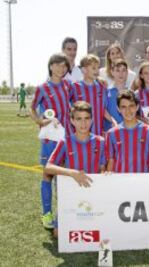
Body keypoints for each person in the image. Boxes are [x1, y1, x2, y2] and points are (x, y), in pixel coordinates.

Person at [45, 101, 106, 237]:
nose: (83, 123)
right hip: (70, 196)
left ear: (92, 120)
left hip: (92, 194)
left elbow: (102, 167)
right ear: (72, 121)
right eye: (79, 119)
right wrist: (72, 173)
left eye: (86, 119)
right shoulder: (65, 142)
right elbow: (48, 167)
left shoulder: (100, 141)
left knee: (98, 232)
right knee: (58, 234)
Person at [30, 53, 72, 230]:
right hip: (49, 138)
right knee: (48, 174)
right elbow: (32, 108)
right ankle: (46, 214)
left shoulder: (68, 85)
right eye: (58, 65)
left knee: (61, 176)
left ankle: (62, 213)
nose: (61, 69)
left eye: (64, 66)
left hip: (65, 137)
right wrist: (40, 121)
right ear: (51, 66)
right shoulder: (42, 88)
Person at [105, 90, 149, 172]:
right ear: (118, 109)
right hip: (120, 182)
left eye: (131, 106)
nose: (128, 111)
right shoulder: (111, 133)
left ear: (137, 107)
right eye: (123, 107)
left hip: (143, 182)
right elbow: (111, 161)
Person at [70, 54, 116, 136]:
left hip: (97, 134)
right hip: (80, 135)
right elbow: (68, 109)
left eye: (98, 68)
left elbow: (103, 109)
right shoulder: (74, 87)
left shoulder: (102, 87)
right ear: (84, 70)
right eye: (93, 68)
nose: (97, 71)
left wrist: (113, 121)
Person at [103, 58, 129, 132]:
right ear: (112, 72)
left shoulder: (131, 93)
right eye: (117, 70)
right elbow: (103, 110)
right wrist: (112, 121)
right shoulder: (106, 92)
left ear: (127, 72)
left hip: (127, 132)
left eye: (123, 70)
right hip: (111, 132)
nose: (121, 74)